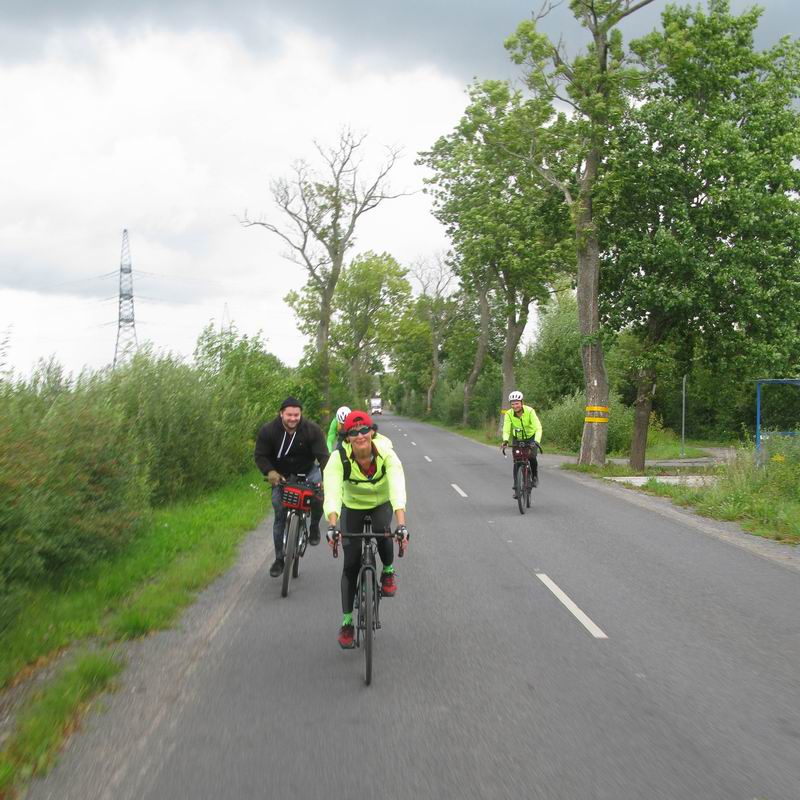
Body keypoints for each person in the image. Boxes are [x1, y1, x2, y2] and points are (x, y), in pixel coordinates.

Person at [323, 410, 408, 649]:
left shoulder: (386, 453)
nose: (359, 435)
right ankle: (348, 622)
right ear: (347, 437)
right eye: (353, 432)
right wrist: (332, 525)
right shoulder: (338, 458)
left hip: (381, 502)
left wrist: (401, 524)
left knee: (383, 532)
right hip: (353, 506)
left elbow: (397, 486)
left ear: (372, 431)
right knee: (350, 563)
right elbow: (331, 491)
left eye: (364, 430)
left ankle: (388, 571)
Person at [254, 396, 329, 577]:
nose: (293, 418)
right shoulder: (268, 431)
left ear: (300, 414)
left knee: (319, 497)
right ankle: (279, 559)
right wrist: (270, 472)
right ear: (281, 414)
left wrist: (325, 479)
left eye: (296, 414)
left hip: (308, 472)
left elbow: (324, 457)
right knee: (279, 513)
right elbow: (260, 455)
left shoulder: (312, 430)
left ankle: (313, 527)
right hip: (281, 476)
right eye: (289, 415)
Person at [502, 390, 542, 497]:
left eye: (517, 403)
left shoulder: (530, 411)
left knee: (532, 457)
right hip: (518, 438)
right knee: (517, 461)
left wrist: (536, 441)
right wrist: (505, 440)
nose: (515, 406)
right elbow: (506, 429)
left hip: (531, 437)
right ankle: (516, 488)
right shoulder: (509, 414)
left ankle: (534, 476)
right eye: (513, 404)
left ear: (521, 402)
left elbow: (538, 427)